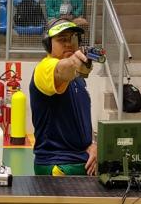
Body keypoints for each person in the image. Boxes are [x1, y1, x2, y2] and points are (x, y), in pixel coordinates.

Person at [30, 18, 96, 176]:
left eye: (73, 39)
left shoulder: (78, 80)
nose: (69, 44)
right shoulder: (43, 68)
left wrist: (93, 144)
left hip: (84, 163)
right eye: (62, 40)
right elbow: (61, 71)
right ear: (48, 44)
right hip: (58, 166)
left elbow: (82, 118)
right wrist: (74, 63)